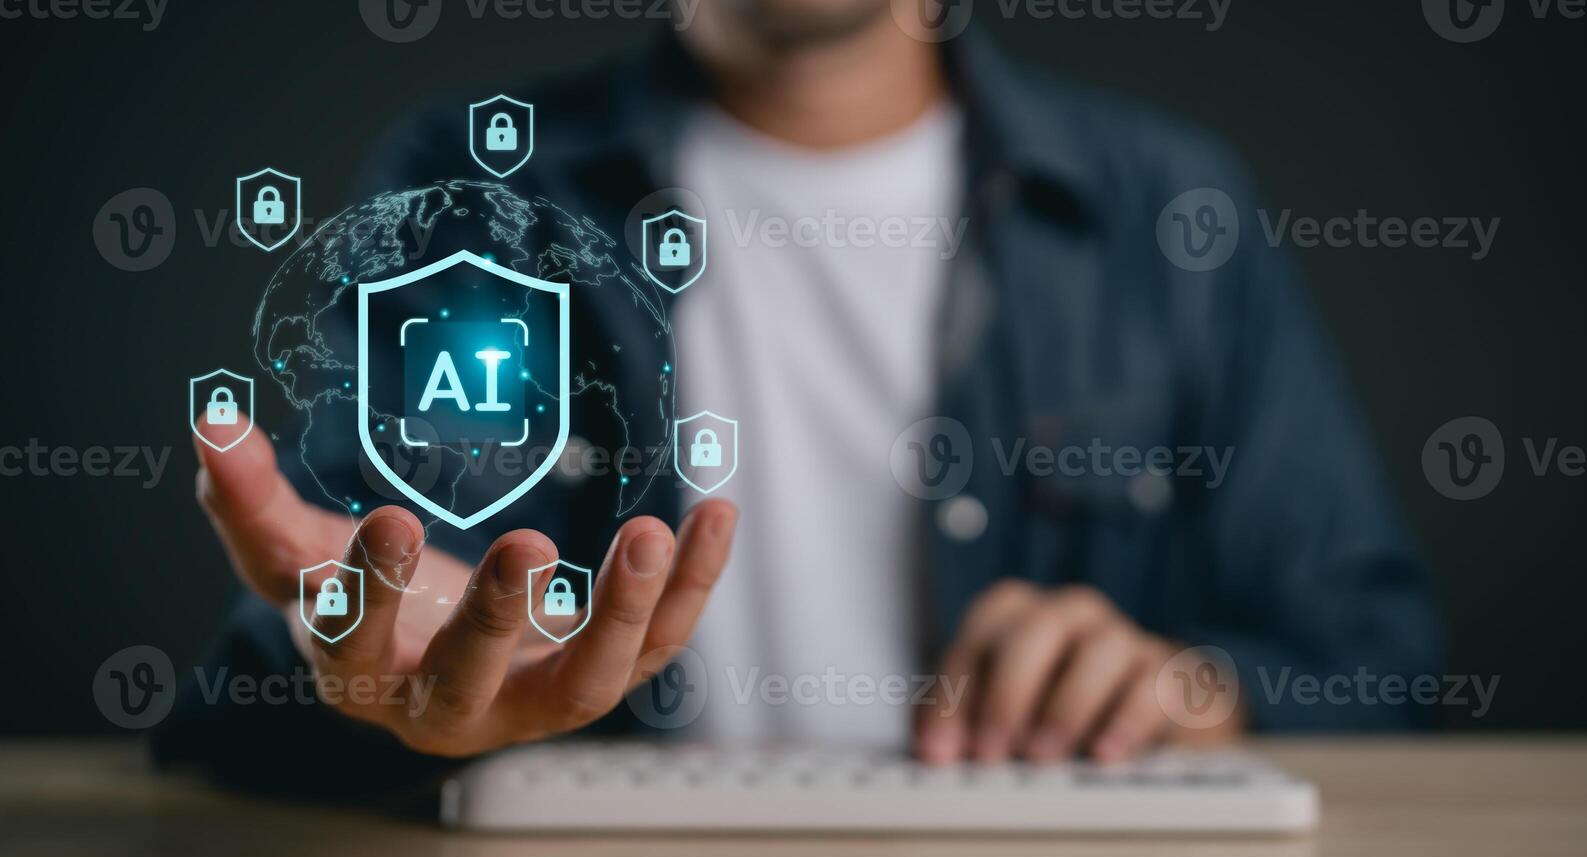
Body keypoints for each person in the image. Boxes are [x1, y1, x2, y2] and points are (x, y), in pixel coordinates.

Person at [156, 0, 1438, 795]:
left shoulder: (1167, 208)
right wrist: (365, 677)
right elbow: (346, 618)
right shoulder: (477, 187)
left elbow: (1375, 660)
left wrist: (1185, 689)